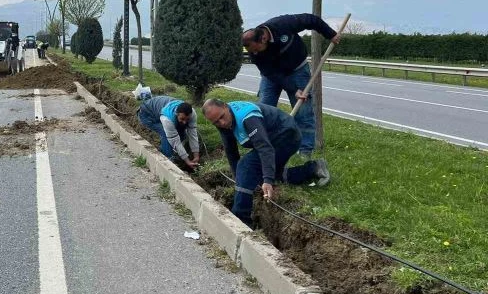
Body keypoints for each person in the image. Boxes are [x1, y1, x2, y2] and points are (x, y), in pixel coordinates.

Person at [202, 98, 330, 227]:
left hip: (287, 136)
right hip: (272, 138)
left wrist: (267, 180)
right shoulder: (222, 120)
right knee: (264, 174)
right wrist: (238, 179)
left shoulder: (248, 118)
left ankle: (241, 219)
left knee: (246, 166)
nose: (222, 123)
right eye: (216, 122)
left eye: (222, 117)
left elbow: (264, 148)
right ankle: (313, 168)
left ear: (225, 106)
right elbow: (231, 151)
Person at [242, 13, 341, 156]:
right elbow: (270, 73)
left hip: (298, 70)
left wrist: (330, 34)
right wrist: (293, 89)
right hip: (272, 75)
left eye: (256, 49)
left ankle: (305, 152)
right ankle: (265, 148)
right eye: (252, 51)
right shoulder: (254, 51)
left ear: (263, 38)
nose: (254, 53)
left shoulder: (282, 24)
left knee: (303, 111)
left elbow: (311, 19)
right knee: (264, 110)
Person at [137, 95, 200, 171]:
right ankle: (168, 159)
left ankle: (176, 153)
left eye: (187, 119)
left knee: (182, 130)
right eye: (182, 119)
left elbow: (193, 134)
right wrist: (187, 161)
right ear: (176, 114)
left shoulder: (192, 114)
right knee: (165, 133)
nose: (185, 122)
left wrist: (196, 155)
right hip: (147, 113)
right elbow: (174, 139)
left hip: (160, 108)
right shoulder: (167, 119)